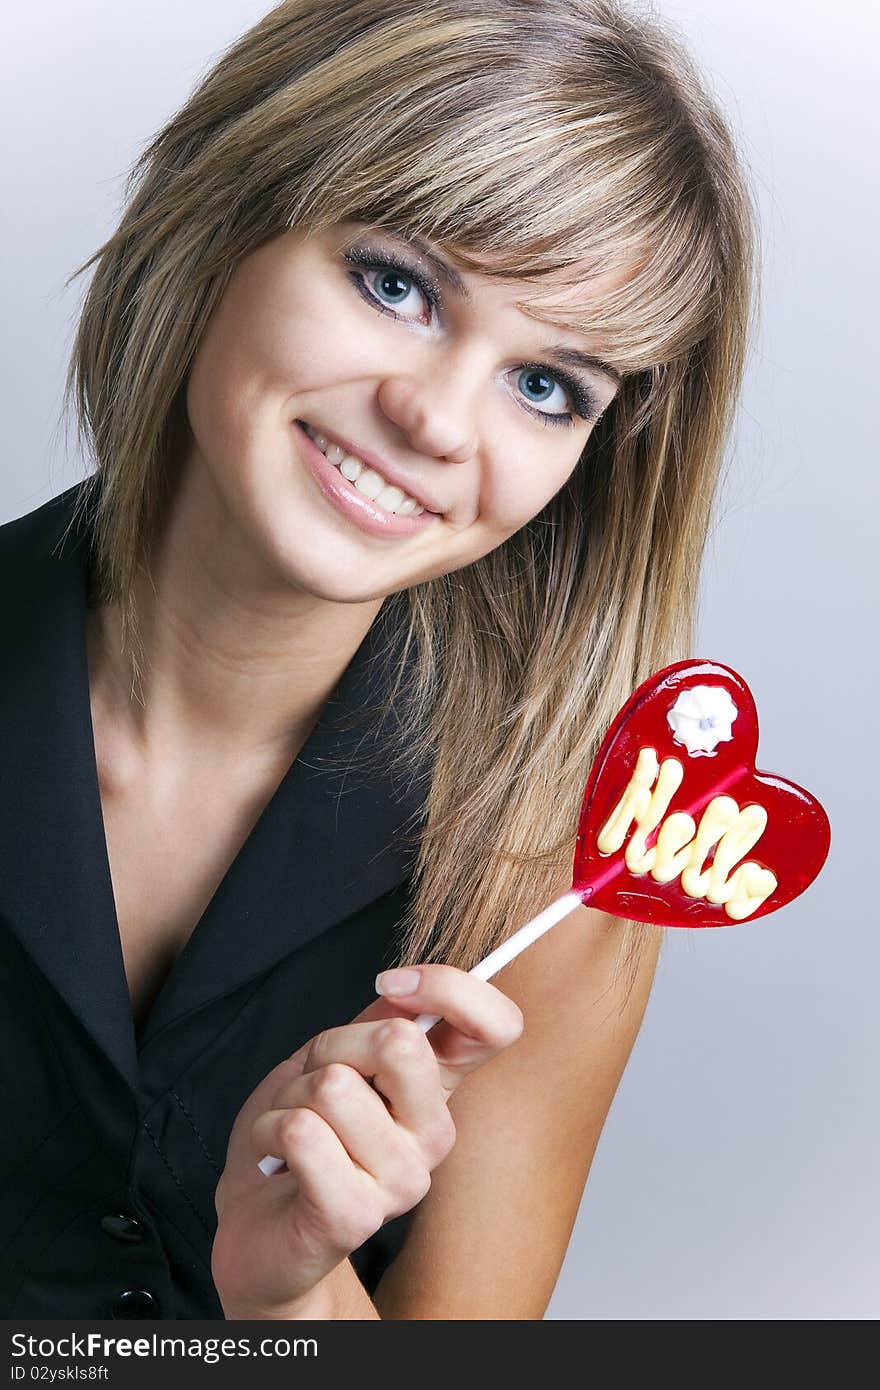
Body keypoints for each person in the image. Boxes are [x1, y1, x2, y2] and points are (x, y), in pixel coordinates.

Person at [0, 0, 756, 1319]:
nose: (434, 419)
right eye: (397, 284)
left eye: (548, 385)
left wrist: (295, 1293)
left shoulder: (557, 870)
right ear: (225, 216)